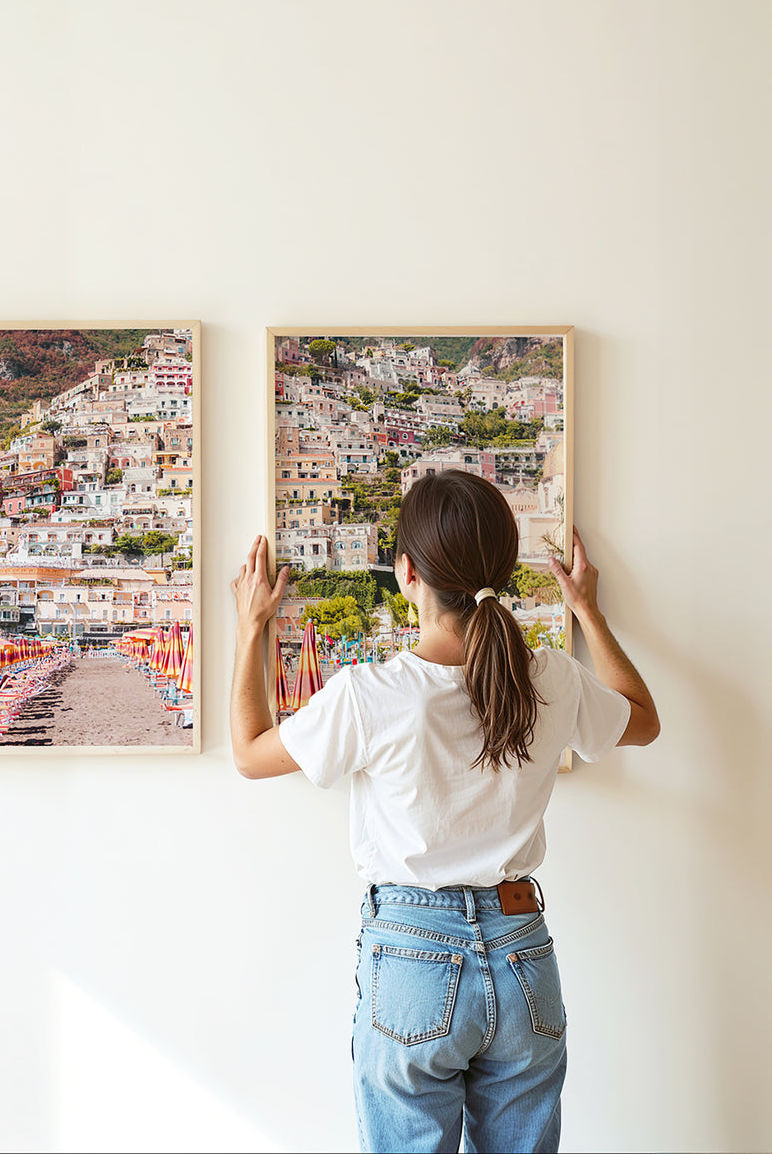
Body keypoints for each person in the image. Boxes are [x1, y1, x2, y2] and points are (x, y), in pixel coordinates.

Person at [230, 470, 658, 1153]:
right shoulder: (550, 676)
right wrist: (587, 615)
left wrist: (251, 626)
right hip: (523, 954)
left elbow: (250, 753)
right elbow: (642, 721)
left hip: (412, 957)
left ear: (405, 573)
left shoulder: (370, 694)